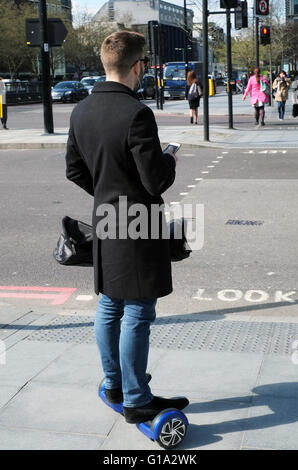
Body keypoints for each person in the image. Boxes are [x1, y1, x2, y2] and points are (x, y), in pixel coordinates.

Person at [65, 31, 189, 424]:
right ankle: (137, 399)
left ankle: (116, 383)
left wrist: (106, 192)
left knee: (109, 305)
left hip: (106, 220)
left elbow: (74, 169)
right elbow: (155, 181)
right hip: (138, 223)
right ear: (137, 66)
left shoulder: (81, 110)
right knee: (137, 310)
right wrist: (169, 158)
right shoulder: (137, 113)